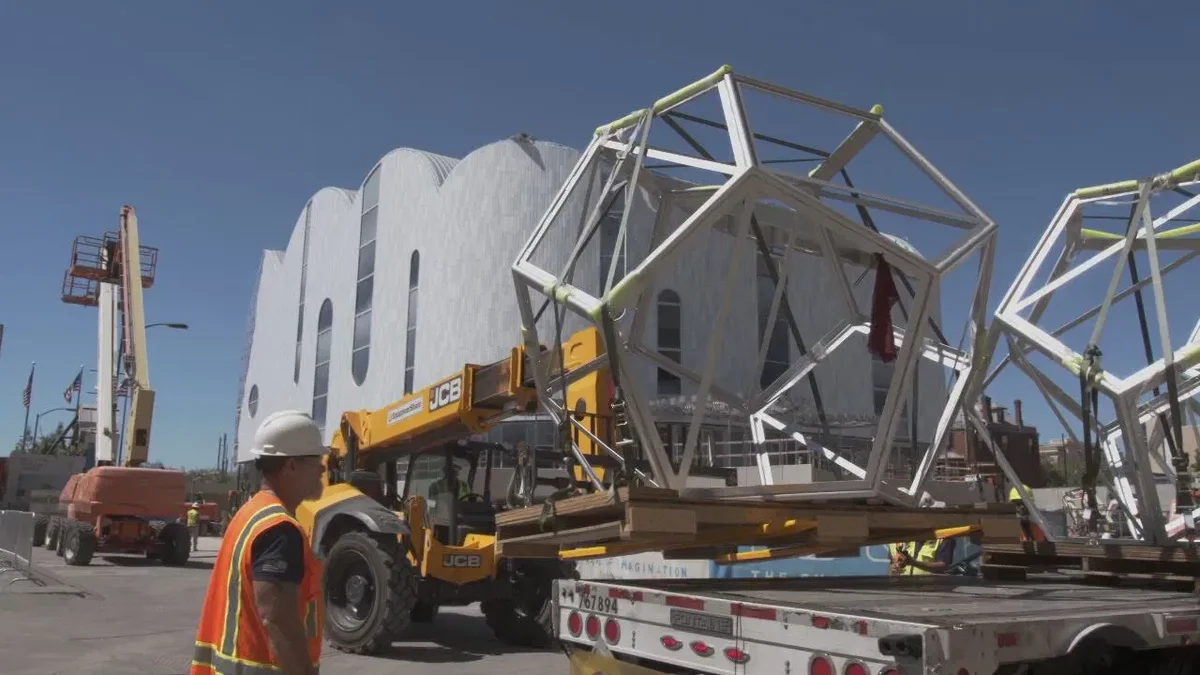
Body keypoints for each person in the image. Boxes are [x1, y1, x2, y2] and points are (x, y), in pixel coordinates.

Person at [190, 410, 328, 675]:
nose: (323, 469)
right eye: (317, 460)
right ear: (291, 466)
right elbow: (277, 619)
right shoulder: (279, 530)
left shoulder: (250, 513)